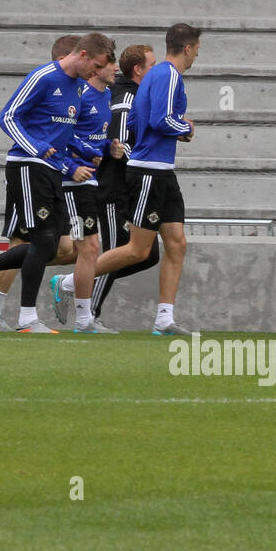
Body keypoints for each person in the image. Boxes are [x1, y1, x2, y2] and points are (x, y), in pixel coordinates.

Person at [0, 32, 114, 333]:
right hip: (28, 165)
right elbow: (8, 117)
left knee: (52, 244)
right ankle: (26, 318)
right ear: (82, 55)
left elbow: (66, 132)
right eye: (95, 66)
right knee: (40, 241)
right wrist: (36, 147)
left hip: (53, 169)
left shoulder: (78, 88)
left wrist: (87, 151)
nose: (96, 73)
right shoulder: (44, 76)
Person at [88, 23, 200, 335]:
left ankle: (164, 318)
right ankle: (71, 281)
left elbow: (138, 120)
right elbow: (159, 120)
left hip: (162, 170)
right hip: (150, 170)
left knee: (177, 244)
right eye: (196, 50)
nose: (195, 57)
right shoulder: (168, 75)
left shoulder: (153, 77)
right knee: (138, 250)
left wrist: (167, 134)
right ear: (188, 48)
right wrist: (185, 129)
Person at [48, 49, 119, 333]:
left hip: (88, 184)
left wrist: (109, 148)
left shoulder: (105, 97)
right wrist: (69, 168)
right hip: (71, 184)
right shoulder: (82, 94)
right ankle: (83, 319)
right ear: (97, 67)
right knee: (87, 247)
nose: (115, 68)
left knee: (81, 249)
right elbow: (62, 136)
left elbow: (92, 139)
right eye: (110, 63)